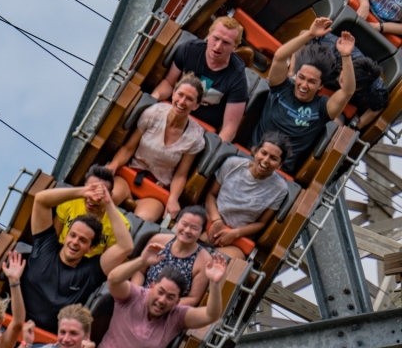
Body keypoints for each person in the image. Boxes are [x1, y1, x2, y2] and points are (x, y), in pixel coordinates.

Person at [21, 177, 135, 334]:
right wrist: (83, 191)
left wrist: (108, 203)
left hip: (48, 342)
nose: (75, 242)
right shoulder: (46, 245)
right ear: (66, 235)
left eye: (82, 240)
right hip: (14, 325)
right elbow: (41, 200)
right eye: (73, 235)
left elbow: (126, 246)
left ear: (90, 248)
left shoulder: (92, 270)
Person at [98, 243, 228, 348]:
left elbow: (211, 315)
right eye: (160, 292)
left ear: (177, 301)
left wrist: (215, 283)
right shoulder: (134, 295)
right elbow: (113, 280)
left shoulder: (177, 316)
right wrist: (141, 261)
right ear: (152, 287)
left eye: (170, 297)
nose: (162, 300)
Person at [252, 18, 355, 173]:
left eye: (312, 82)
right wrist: (310, 35)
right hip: (251, 157)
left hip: (279, 172)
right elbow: (279, 57)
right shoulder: (281, 87)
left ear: (320, 86)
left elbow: (347, 91)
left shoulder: (322, 108)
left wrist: (346, 56)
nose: (304, 85)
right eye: (301, 78)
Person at [109, 74, 207, 221]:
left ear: (197, 105)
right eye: (180, 95)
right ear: (173, 93)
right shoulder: (154, 113)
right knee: (110, 198)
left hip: (156, 189)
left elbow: (181, 175)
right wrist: (113, 166)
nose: (182, 102)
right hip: (130, 175)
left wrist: (173, 198)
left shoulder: (195, 136)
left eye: (189, 99)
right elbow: (128, 148)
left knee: (141, 220)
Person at [152, 16, 248, 142]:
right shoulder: (189, 49)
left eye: (226, 43)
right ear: (209, 35)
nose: (218, 46)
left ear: (234, 47)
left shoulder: (238, 79)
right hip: (173, 112)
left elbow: (229, 129)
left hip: (200, 133)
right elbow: (169, 83)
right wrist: (153, 98)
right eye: (216, 38)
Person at [203, 132, 290, 260]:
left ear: (280, 165)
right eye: (264, 153)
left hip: (238, 237)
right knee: (199, 251)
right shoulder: (233, 164)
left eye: (273, 158)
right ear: (256, 152)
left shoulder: (280, 188)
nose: (265, 160)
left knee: (223, 262)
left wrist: (234, 233)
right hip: (212, 223)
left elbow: (261, 223)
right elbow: (211, 194)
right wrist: (217, 220)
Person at [132, 205, 212, 307]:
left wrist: (164, 304)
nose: (187, 230)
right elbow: (140, 270)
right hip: (142, 296)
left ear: (201, 233)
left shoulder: (204, 260)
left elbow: (193, 298)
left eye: (194, 228)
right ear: (177, 224)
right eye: (184, 224)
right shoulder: (158, 240)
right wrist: (137, 292)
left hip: (170, 308)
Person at [54, 165, 131, 258]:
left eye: (100, 193)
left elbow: (107, 260)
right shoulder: (69, 202)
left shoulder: (120, 224)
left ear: (109, 195)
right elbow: (53, 239)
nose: (93, 198)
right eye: (91, 189)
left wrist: (107, 202)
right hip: (60, 255)